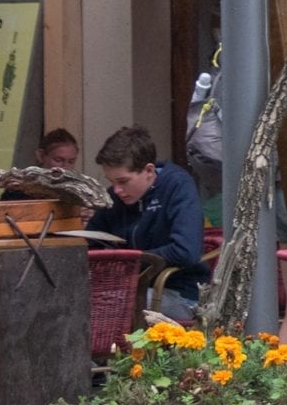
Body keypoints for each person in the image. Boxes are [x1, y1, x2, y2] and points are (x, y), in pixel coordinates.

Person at [87, 125, 208, 322]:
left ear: (149, 171)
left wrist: (129, 261)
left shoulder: (177, 187)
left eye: (123, 181)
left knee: (107, 307)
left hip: (179, 293)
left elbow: (186, 251)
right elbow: (90, 241)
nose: (116, 190)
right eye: (112, 182)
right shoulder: (114, 197)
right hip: (129, 289)